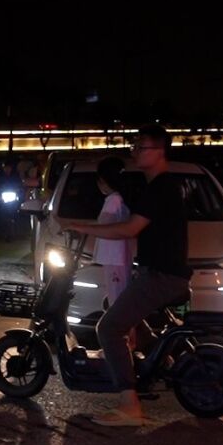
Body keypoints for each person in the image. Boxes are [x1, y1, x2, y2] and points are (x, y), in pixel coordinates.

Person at [61, 125, 192, 427]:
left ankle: (130, 405)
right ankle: (160, 363)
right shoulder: (158, 186)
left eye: (141, 147)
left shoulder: (161, 187)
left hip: (161, 275)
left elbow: (128, 229)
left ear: (160, 152)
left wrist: (80, 227)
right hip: (158, 272)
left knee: (108, 328)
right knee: (125, 317)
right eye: (135, 146)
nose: (135, 151)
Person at [91, 156, 132, 306]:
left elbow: (105, 225)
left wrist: (82, 228)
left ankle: (119, 328)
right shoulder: (120, 199)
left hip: (114, 256)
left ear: (103, 180)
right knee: (118, 295)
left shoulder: (114, 200)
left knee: (117, 297)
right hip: (117, 255)